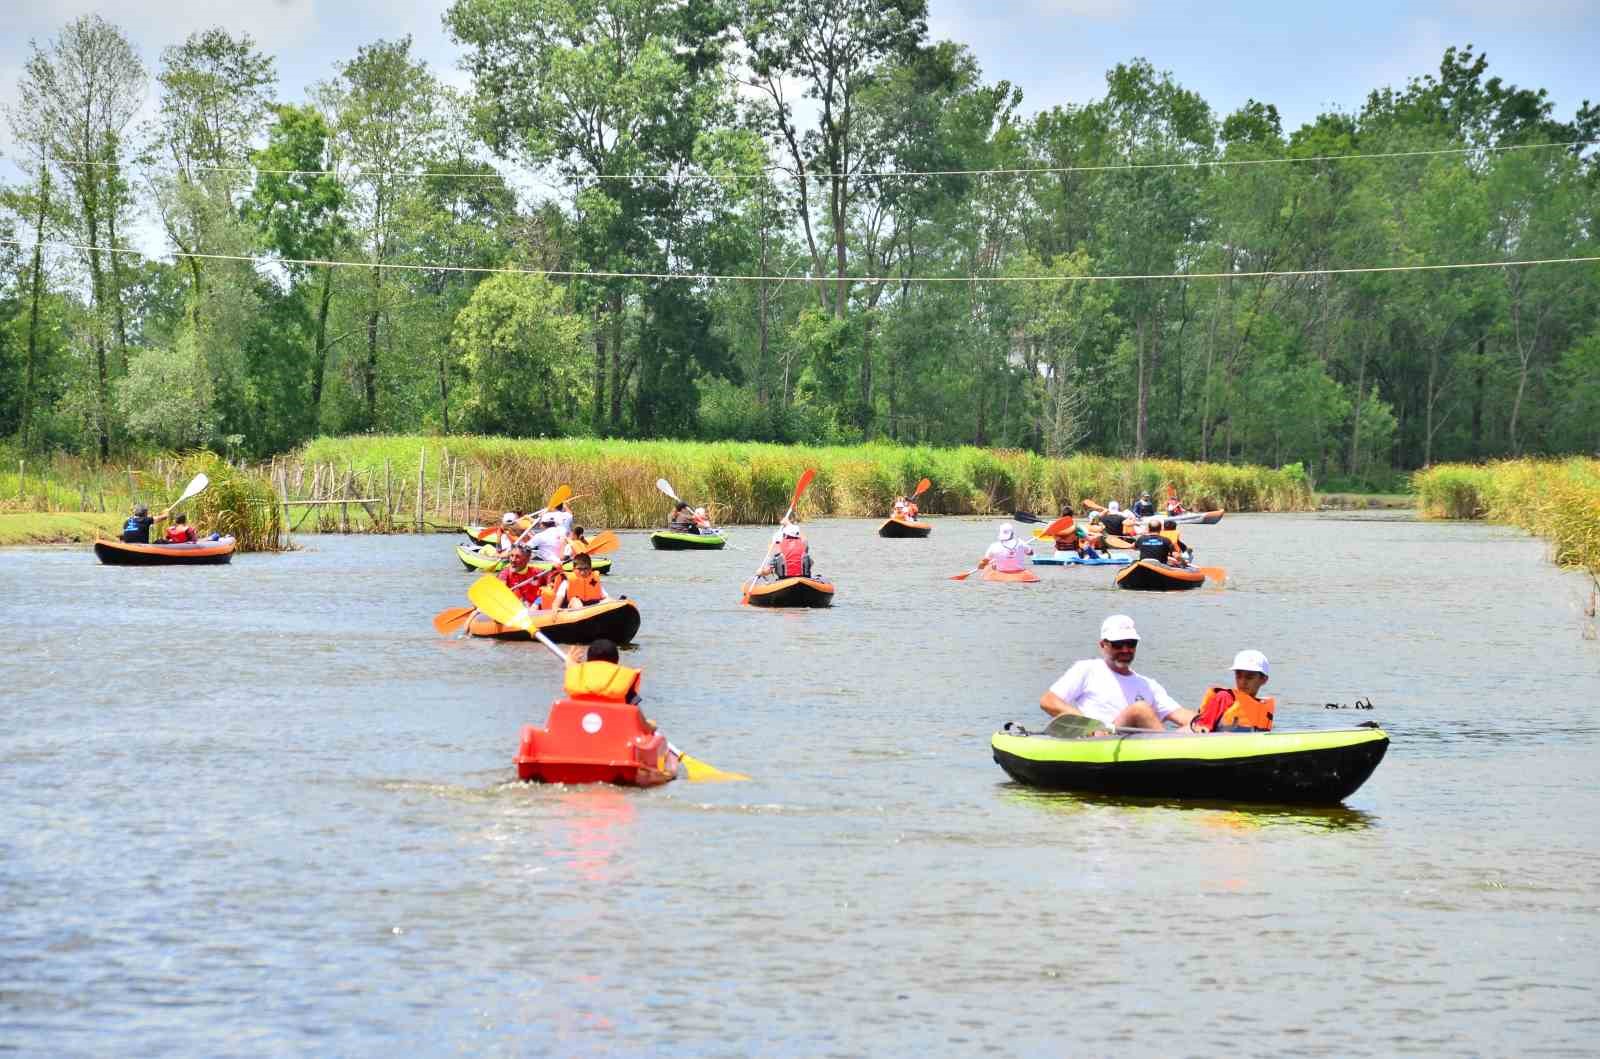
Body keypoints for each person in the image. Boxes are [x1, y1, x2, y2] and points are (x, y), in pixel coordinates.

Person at [1040, 614, 1197, 732]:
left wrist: (1208, 719)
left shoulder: (1148, 684)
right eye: (1118, 644)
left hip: (1141, 745)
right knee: (1139, 710)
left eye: (1131, 644)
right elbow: (1048, 701)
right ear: (1103, 644)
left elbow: (1179, 714)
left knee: (1199, 724)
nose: (1125, 650)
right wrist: (1090, 726)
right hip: (1102, 741)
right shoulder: (1087, 669)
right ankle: (1169, 755)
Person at [1193, 651, 1275, 733]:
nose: (1242, 682)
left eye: (1249, 677)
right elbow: (1200, 730)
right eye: (1238, 676)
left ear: (1264, 680)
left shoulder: (1263, 708)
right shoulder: (1224, 697)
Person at [564, 638, 644, 706]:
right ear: (616, 663)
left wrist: (571, 665)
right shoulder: (625, 683)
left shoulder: (576, 676)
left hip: (583, 721)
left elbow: (572, 670)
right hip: (614, 722)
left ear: (588, 662)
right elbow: (635, 712)